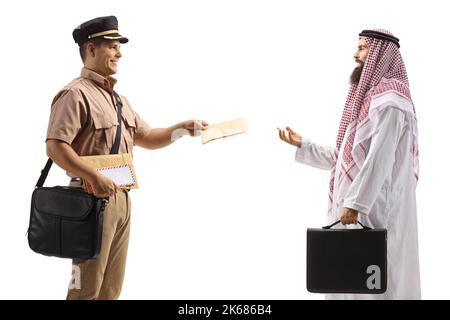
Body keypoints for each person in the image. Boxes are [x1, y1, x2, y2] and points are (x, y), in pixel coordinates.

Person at [45, 15, 208, 300]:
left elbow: (148, 137)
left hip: (121, 198)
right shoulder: (75, 94)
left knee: (111, 288)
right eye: (112, 46)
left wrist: (183, 129)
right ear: (91, 49)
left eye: (119, 46)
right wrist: (93, 176)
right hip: (89, 197)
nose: (119, 52)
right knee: (85, 286)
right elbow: (55, 147)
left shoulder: (117, 99)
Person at [278, 29, 420, 299]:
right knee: (348, 283)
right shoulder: (371, 99)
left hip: (376, 209)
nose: (355, 54)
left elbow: (380, 157)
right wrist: (304, 145)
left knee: (376, 285)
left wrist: (356, 203)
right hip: (357, 210)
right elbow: (347, 159)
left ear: (380, 53)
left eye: (363, 48)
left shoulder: (391, 102)